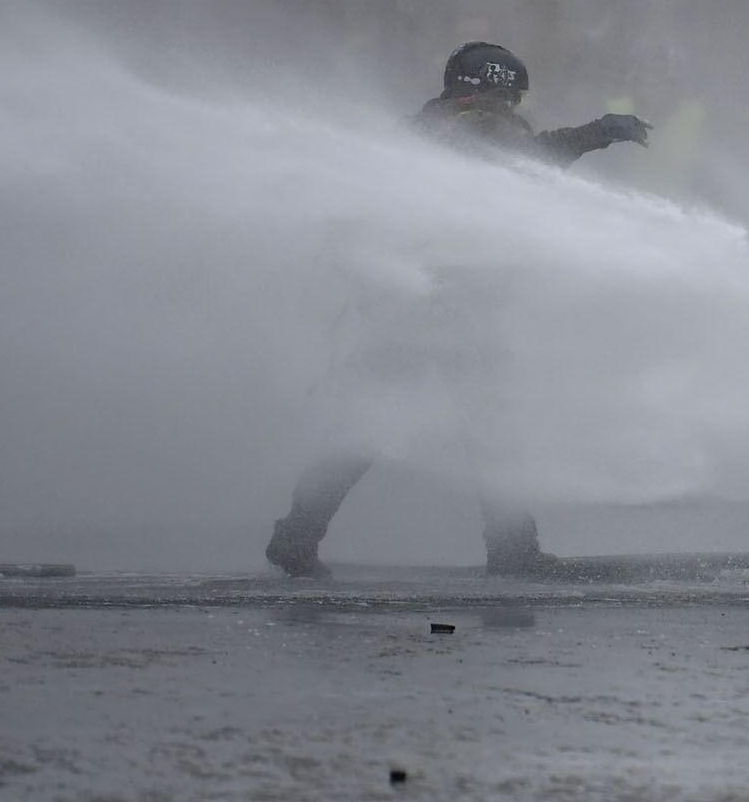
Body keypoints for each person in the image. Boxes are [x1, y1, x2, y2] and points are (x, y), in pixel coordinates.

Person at [264, 41, 652, 579]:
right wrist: (598, 134)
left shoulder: (427, 127)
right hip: (456, 310)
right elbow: (532, 162)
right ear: (495, 87)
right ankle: (514, 551)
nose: (516, 106)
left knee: (365, 428)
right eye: (513, 95)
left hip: (407, 309)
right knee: (496, 429)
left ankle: (295, 536)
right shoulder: (482, 125)